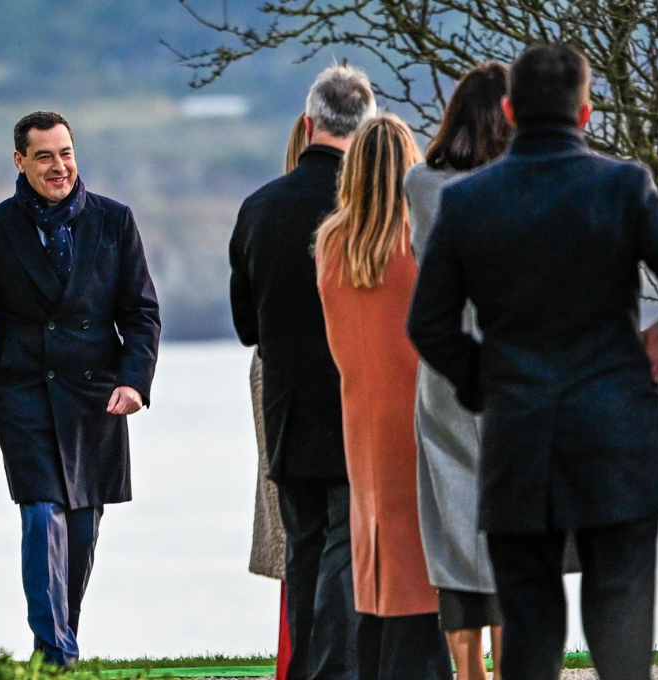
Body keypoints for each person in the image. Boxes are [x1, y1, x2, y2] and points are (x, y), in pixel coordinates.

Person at [407, 44, 658, 680]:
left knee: (530, 623)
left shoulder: (468, 203)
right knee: (621, 617)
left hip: (519, 431)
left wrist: (481, 381)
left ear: (512, 109)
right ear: (587, 112)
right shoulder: (622, 186)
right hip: (618, 430)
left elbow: (427, 325)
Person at [0, 110, 161, 668]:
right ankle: (54, 650)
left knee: (82, 528)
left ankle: (63, 635)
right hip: (24, 396)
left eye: (65, 153)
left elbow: (141, 314)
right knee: (43, 515)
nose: (59, 166)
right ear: (20, 162)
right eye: (44, 156)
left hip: (96, 398)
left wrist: (135, 382)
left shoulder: (115, 222)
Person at [229, 64, 376, 680]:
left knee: (308, 547)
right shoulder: (374, 204)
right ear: (367, 127)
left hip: (289, 406)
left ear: (309, 122)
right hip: (358, 398)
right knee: (348, 543)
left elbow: (246, 326)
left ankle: (309, 668)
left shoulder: (260, 208)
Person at [314, 114, 451, 680]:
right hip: (420, 416)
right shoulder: (420, 241)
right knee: (421, 565)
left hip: (360, 418)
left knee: (375, 559)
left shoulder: (331, 242)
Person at [404, 62, 511, 680]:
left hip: (444, 369)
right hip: (510, 362)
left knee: (452, 524)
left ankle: (467, 672)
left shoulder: (420, 183)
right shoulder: (521, 182)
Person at [247, 113, 311, 680]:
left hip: (274, 370)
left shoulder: (264, 211)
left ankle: (294, 661)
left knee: (294, 521)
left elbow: (247, 319)